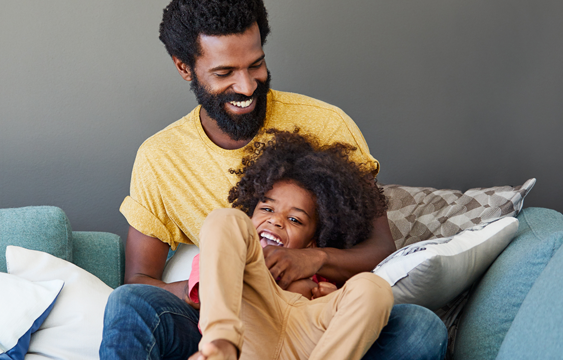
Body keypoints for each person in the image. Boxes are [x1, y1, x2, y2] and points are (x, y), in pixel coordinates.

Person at [99, 0, 447, 359]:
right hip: (224, 323)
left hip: (316, 324)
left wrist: (315, 260)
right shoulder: (160, 158)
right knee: (131, 301)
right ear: (184, 67)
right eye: (224, 72)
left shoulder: (326, 125)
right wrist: (221, 284)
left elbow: (381, 249)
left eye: (256, 64)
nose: (247, 86)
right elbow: (139, 281)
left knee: (420, 328)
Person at [187, 129, 394, 360]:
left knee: (373, 287)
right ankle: (221, 343)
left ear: (312, 244)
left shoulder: (323, 275)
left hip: (308, 333)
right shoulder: (228, 252)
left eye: (295, 220)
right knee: (224, 217)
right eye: (267, 208)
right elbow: (208, 289)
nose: (276, 220)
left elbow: (353, 306)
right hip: (248, 331)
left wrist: (334, 298)